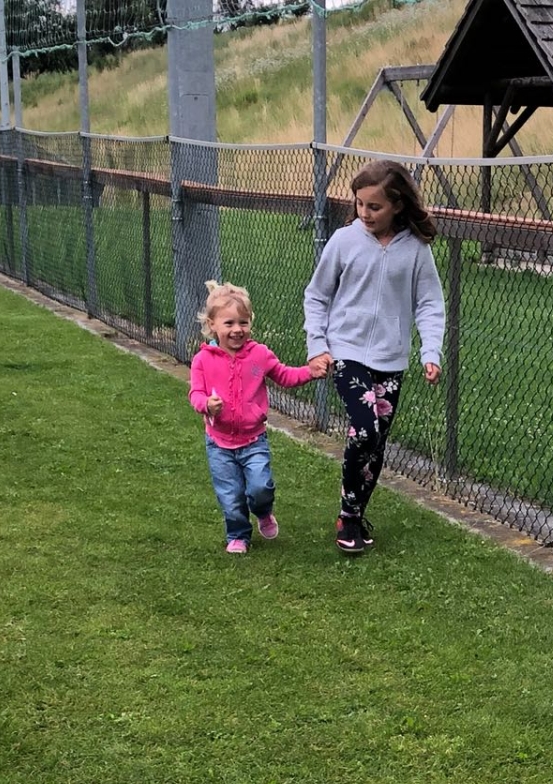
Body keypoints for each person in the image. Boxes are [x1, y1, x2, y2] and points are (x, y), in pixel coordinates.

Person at [304, 161, 446, 554]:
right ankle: (347, 517)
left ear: (398, 205)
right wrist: (318, 345)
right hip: (346, 351)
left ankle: (355, 513)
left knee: (377, 443)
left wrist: (430, 350)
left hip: (391, 358)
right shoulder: (344, 241)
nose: (364, 213)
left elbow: (430, 303)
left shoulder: (416, 250)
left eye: (374, 207)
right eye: (360, 204)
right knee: (364, 430)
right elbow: (316, 295)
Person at [188, 280, 318, 554]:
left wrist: (310, 371)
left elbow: (285, 375)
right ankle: (238, 535)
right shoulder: (203, 360)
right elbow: (195, 394)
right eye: (229, 323)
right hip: (219, 443)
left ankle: (263, 511)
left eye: (243, 323)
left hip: (253, 440)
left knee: (260, 488)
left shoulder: (260, 355)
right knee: (230, 495)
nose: (237, 329)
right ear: (212, 325)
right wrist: (206, 405)